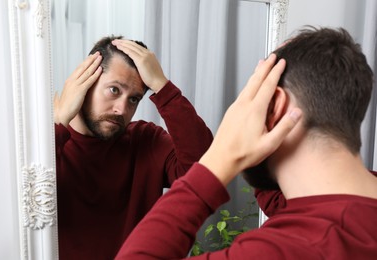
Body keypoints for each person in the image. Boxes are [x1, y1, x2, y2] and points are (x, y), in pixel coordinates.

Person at [115, 27, 377, 259]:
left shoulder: (278, 250)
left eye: (254, 91)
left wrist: (224, 156)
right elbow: (284, 200)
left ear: (275, 104)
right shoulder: (348, 220)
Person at [53, 35, 213, 259]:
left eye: (134, 99)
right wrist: (58, 123)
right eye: (114, 90)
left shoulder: (146, 140)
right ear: (85, 82)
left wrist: (162, 86)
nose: (121, 109)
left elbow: (205, 169)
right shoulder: (49, 145)